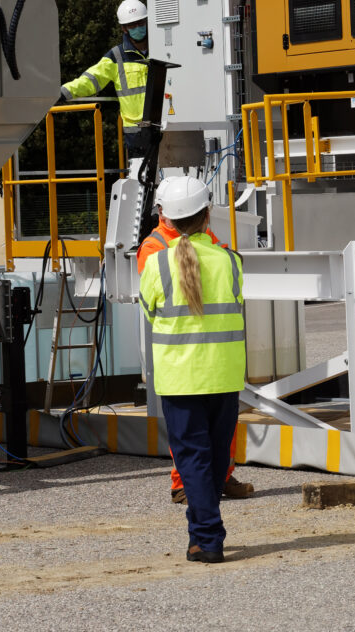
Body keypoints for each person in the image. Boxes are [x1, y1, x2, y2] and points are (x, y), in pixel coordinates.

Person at [138, 176, 247, 563]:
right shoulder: (231, 261)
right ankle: (201, 535)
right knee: (217, 457)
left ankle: (207, 537)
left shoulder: (155, 263)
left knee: (194, 460)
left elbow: (150, 312)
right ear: (207, 214)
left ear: (165, 217)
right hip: (224, 375)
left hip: (180, 379)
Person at [60, 0, 151, 166]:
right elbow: (91, 80)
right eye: (132, 25)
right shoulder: (116, 57)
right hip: (137, 134)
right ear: (124, 29)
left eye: (140, 23)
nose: (137, 28)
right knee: (142, 184)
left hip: (167, 126)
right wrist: (63, 92)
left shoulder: (164, 48)